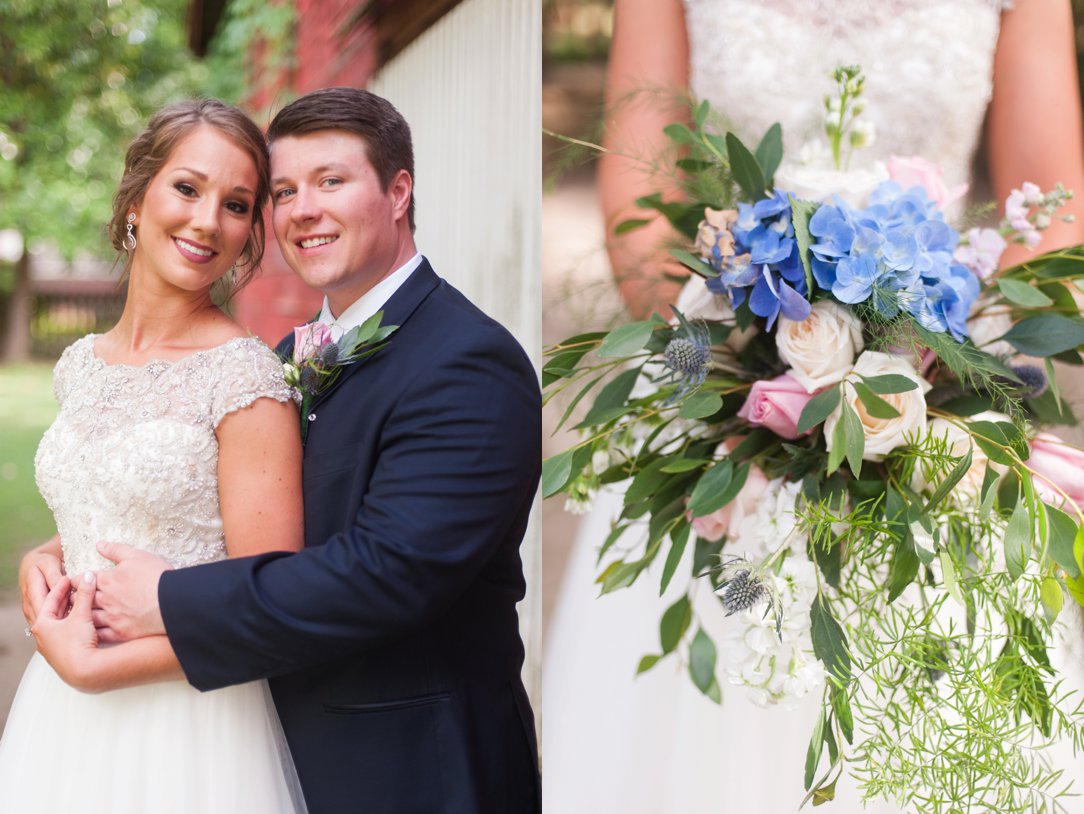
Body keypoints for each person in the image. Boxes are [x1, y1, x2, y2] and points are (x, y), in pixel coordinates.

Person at [543, 0, 1084, 812]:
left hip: (941, 394)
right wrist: (732, 362)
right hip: (720, 387)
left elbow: (1053, 198)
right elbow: (641, 191)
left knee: (927, 680)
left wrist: (935, 370)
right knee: (736, 640)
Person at [24, 87, 542, 814]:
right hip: (281, 738)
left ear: (398, 192)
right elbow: (206, 503)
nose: (302, 210)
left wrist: (168, 600)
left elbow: (388, 575)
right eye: (285, 191)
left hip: (413, 769)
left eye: (331, 181)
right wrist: (55, 551)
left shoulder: (466, 360)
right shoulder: (291, 354)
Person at [1, 99, 308, 813]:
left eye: (236, 205)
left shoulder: (245, 379)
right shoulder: (81, 364)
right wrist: (45, 554)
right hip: (61, 718)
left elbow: (272, 606)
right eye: (188, 188)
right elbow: (113, 505)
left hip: (185, 725)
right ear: (137, 196)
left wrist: (92, 671)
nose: (208, 221)